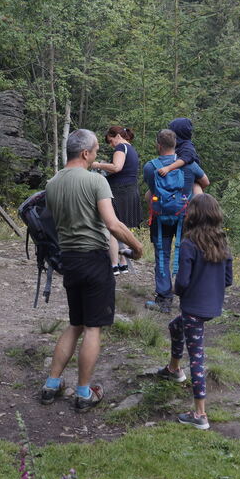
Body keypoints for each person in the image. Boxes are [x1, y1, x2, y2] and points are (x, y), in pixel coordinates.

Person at [39, 129, 144, 412]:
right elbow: (112, 224)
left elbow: (52, 220)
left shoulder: (52, 183)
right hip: (94, 260)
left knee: (75, 323)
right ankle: (84, 392)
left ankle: (52, 383)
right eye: (96, 150)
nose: (98, 154)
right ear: (85, 153)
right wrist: (136, 246)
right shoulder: (96, 181)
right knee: (93, 328)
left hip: (69, 259)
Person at [155, 193, 232, 430]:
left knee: (197, 357)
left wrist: (177, 290)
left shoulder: (189, 243)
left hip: (193, 308)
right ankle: (173, 369)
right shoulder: (223, 242)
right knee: (174, 327)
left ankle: (200, 414)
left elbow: (183, 282)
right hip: (212, 306)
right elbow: (228, 279)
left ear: (193, 215)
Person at [143, 129, 210, 313]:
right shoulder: (189, 165)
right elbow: (206, 182)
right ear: (175, 145)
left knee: (162, 254)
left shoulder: (150, 167)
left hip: (160, 217)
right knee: (186, 254)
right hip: (184, 215)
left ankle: (164, 299)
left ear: (158, 145)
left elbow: (151, 189)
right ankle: (187, 295)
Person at [91, 126, 141, 275]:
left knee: (111, 227)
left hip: (119, 191)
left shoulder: (121, 147)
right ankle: (123, 263)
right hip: (131, 190)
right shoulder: (131, 149)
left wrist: (98, 165)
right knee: (121, 226)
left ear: (117, 136)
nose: (112, 145)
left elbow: (116, 167)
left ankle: (113, 265)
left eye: (111, 141)